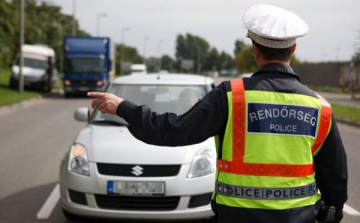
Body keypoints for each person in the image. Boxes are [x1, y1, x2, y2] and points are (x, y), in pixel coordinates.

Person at [88, 4, 347, 223]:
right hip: (298, 217)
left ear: (255, 50)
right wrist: (331, 211)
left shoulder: (230, 96)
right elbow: (335, 175)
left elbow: (173, 130)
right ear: (293, 50)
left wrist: (123, 107)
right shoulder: (320, 107)